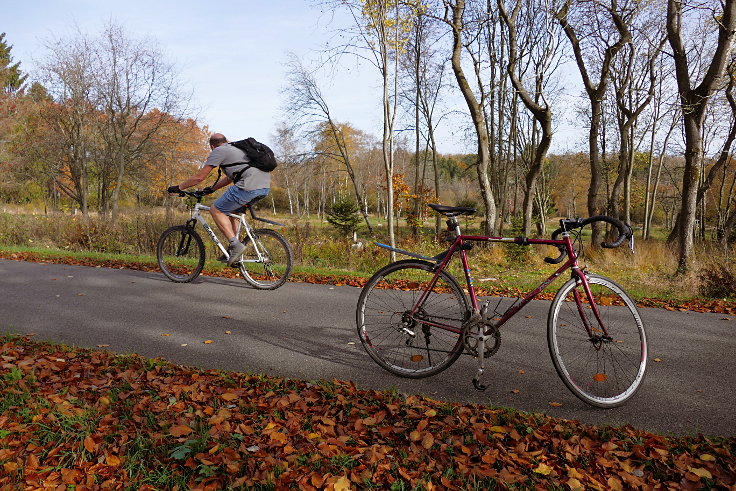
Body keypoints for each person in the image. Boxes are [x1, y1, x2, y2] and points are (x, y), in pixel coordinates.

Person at [167, 133, 270, 266]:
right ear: (225, 141)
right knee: (234, 214)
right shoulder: (236, 149)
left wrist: (178, 187)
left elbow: (199, 177)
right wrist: (212, 188)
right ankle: (233, 250)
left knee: (216, 210)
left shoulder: (219, 150)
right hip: (263, 187)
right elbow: (230, 178)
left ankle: (235, 245)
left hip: (248, 186)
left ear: (212, 146)